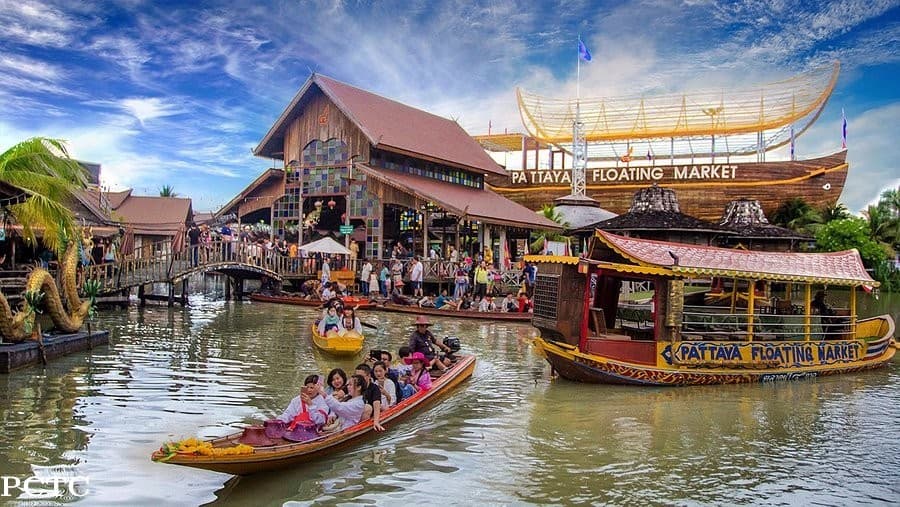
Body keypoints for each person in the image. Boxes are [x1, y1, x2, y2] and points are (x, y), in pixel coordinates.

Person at [354, 364, 385, 431]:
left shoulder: (374, 388)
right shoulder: (353, 386)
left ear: (369, 376)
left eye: (361, 377)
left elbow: (377, 405)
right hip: (354, 414)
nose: (358, 380)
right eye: (357, 377)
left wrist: (376, 422)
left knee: (369, 407)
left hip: (367, 414)